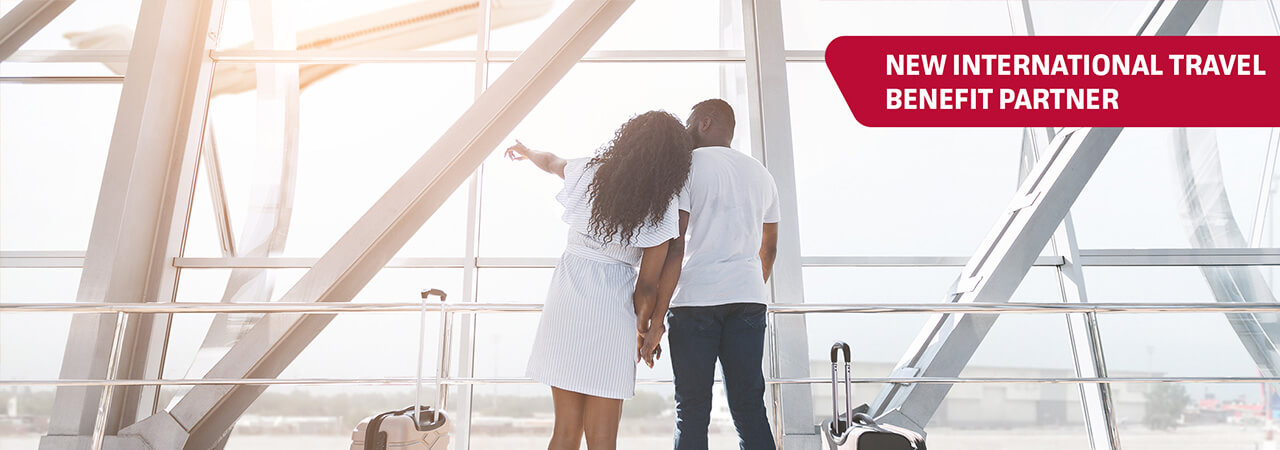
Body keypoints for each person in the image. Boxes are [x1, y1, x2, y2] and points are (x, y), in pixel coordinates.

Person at [506, 110, 692, 450]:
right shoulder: (663, 205)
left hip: (567, 298)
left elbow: (550, 162)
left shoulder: (590, 172)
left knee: (564, 431)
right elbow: (647, 288)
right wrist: (645, 330)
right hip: (612, 308)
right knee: (603, 440)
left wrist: (527, 151)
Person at [645, 99, 781, 450]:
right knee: (750, 407)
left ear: (705, 123)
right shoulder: (761, 173)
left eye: (690, 124)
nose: (686, 132)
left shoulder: (688, 167)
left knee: (691, 411)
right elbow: (769, 248)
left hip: (696, 301)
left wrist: (657, 320)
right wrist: (745, 286)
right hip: (748, 299)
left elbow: (675, 247)